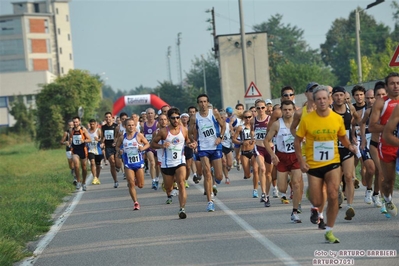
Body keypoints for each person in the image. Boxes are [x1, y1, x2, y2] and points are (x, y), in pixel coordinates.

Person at [294, 85, 358, 244]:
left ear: (329, 100)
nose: (322, 101)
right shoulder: (307, 119)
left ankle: (329, 230)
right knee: (317, 200)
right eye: (318, 99)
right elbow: (296, 141)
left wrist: (349, 145)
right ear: (314, 101)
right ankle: (314, 200)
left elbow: (342, 136)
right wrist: (301, 162)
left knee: (333, 194)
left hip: (332, 162)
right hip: (314, 165)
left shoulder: (337, 118)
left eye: (324, 98)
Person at [290, 82, 328, 229]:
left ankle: (319, 214)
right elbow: (293, 129)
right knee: (315, 184)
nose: (314, 93)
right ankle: (317, 210)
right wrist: (300, 137)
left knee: (323, 186)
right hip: (308, 152)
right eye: (311, 90)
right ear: (306, 94)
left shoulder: (325, 111)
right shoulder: (300, 113)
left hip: (324, 151)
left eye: (316, 90)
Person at [151, 108, 196, 219]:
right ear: (169, 119)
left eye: (177, 117)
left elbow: (187, 140)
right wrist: (162, 146)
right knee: (169, 188)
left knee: (181, 183)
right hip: (167, 164)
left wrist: (191, 144)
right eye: (173, 118)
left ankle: (182, 208)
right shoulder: (163, 132)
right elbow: (152, 143)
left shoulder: (184, 129)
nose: (175, 120)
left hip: (180, 162)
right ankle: (168, 189)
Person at [265, 100, 303, 223]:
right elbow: (266, 141)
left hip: (296, 156)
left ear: (294, 110)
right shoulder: (277, 124)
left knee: (296, 184)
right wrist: (272, 154)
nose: (287, 112)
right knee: (282, 189)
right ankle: (286, 180)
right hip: (281, 157)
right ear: (281, 111)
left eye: (290, 109)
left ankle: (295, 211)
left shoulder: (299, 124)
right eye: (285, 110)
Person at [369, 72, 399, 217]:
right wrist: (391, 128)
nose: (396, 86)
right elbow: (372, 127)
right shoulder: (381, 103)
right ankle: (387, 198)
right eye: (392, 83)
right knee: (388, 180)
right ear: (386, 86)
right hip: (386, 145)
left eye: (398, 83)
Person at [189, 94, 225, 212]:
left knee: (219, 176)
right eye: (200, 102)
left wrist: (220, 137)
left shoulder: (213, 113)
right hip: (203, 148)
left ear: (207, 102)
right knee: (207, 174)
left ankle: (216, 174)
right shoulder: (195, 117)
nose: (203, 104)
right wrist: (193, 142)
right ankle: (210, 201)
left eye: (205, 101)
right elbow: (190, 133)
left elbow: (223, 125)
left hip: (215, 146)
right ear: (198, 104)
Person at [331, 86, 361, 221]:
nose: (338, 98)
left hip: (347, 147)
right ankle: (338, 194)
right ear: (332, 97)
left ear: (344, 96)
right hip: (333, 149)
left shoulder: (350, 108)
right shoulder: (328, 111)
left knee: (349, 177)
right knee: (335, 179)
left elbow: (358, 120)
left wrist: (355, 133)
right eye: (336, 95)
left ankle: (349, 206)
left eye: (341, 95)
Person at [360, 82, 387, 209]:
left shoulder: (392, 109)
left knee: (379, 171)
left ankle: (376, 194)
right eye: (378, 95)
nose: (381, 97)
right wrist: (363, 139)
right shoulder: (369, 111)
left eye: (383, 94)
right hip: (371, 143)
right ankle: (370, 190)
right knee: (372, 169)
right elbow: (361, 123)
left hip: (384, 144)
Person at [115, 118, 150, 211]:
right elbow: (117, 146)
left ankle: (135, 180)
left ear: (135, 126)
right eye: (129, 125)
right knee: (131, 183)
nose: (131, 127)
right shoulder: (123, 137)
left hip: (138, 163)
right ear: (125, 126)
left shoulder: (138, 135)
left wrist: (142, 149)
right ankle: (135, 202)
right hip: (128, 163)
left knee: (141, 185)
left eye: (132, 125)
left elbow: (147, 144)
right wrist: (120, 150)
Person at [232, 110, 258, 197]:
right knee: (247, 175)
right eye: (246, 117)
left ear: (252, 117)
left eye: (249, 117)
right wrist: (242, 142)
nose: (248, 119)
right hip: (244, 152)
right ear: (243, 118)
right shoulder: (240, 128)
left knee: (255, 170)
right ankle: (249, 168)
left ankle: (255, 190)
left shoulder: (255, 127)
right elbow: (234, 139)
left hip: (254, 151)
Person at [69, 116, 92, 191]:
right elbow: (70, 139)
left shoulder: (83, 129)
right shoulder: (71, 130)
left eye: (76, 122)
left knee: (84, 167)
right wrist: (69, 143)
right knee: (76, 165)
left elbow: (89, 139)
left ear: (79, 122)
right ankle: (78, 181)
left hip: (83, 150)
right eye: (74, 122)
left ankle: (84, 182)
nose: (75, 123)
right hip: (75, 150)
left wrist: (84, 141)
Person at [142, 108, 160, 190]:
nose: (150, 115)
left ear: (154, 114)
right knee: (152, 163)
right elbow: (141, 135)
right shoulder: (143, 125)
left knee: (157, 164)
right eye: (148, 113)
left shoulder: (157, 124)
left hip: (156, 146)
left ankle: (157, 178)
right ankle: (153, 181)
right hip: (149, 147)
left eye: (151, 113)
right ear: (146, 115)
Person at [101, 112, 120, 188]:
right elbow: (102, 137)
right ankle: (115, 181)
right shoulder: (103, 127)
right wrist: (102, 142)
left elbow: (119, 136)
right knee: (112, 162)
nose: (108, 118)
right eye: (106, 117)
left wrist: (116, 142)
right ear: (105, 118)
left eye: (109, 117)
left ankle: (118, 167)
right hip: (108, 147)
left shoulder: (116, 126)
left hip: (116, 146)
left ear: (112, 118)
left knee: (118, 164)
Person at [219, 110, 234, 184]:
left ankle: (225, 170)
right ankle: (227, 177)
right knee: (224, 162)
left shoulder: (228, 125)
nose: (222, 119)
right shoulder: (217, 126)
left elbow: (233, 133)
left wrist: (232, 133)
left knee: (229, 164)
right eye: (220, 117)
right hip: (220, 145)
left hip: (228, 145)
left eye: (223, 117)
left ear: (226, 118)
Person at [87, 119, 103, 185]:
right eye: (91, 124)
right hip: (90, 150)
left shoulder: (98, 131)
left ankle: (97, 178)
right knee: (92, 163)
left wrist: (98, 140)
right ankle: (94, 177)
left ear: (96, 124)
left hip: (98, 150)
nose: (92, 126)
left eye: (93, 124)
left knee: (98, 165)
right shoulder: (87, 131)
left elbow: (102, 140)